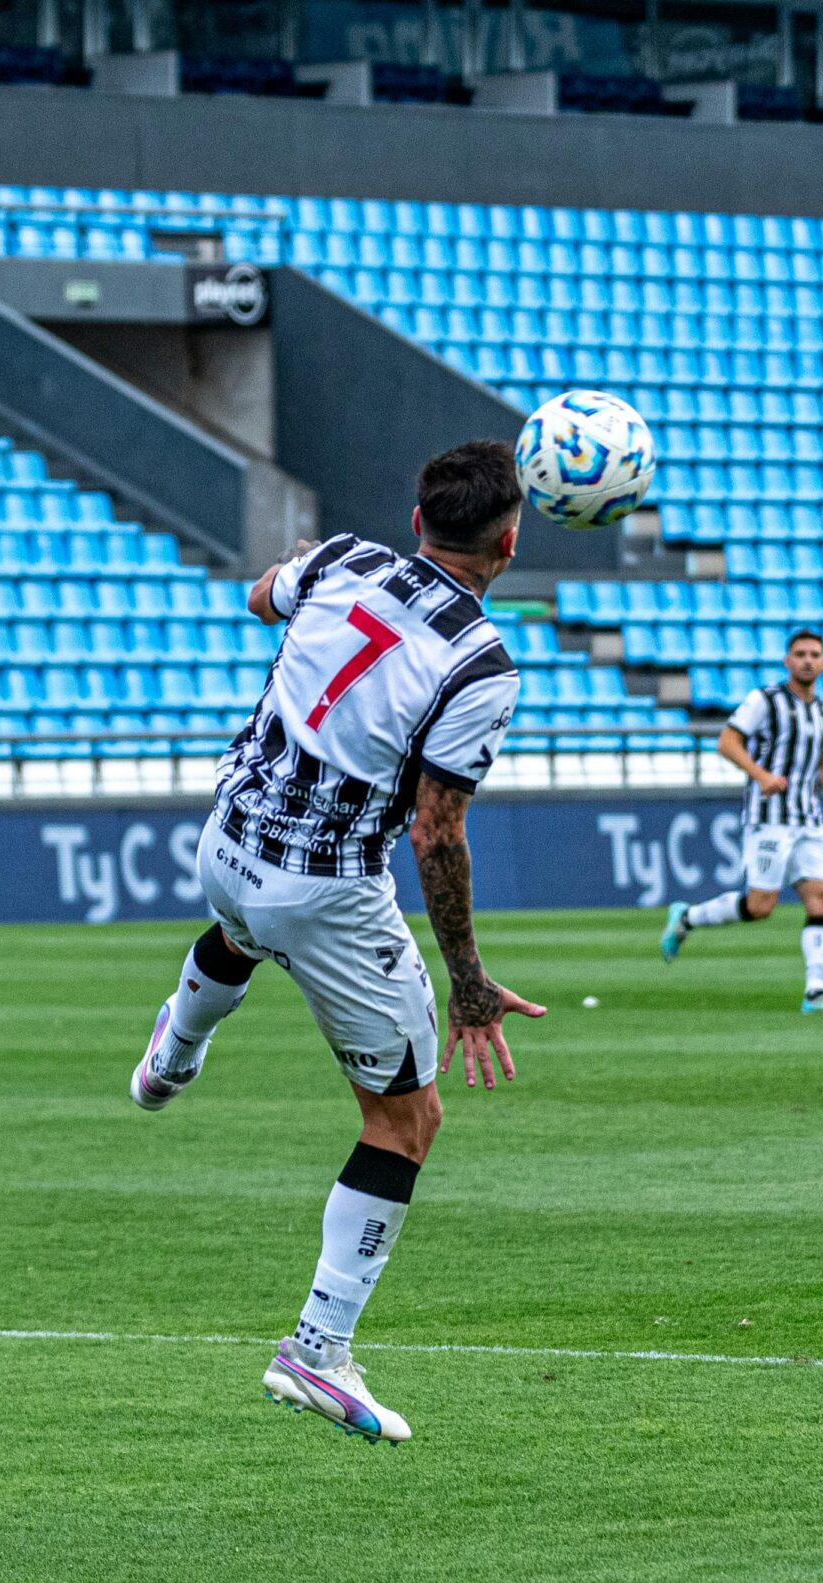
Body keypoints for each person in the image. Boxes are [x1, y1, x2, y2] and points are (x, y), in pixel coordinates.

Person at [125, 441, 543, 1446]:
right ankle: (316, 1352)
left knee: (235, 929)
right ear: (509, 537)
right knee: (405, 1122)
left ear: (415, 520)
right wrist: (470, 983)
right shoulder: (481, 664)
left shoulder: (341, 560)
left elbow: (259, 595)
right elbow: (438, 831)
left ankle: (175, 1048)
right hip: (327, 896)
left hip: (225, 841)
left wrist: (302, 573)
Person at [657, 629, 823, 1013]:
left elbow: (817, 760)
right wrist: (761, 775)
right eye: (800, 653)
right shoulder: (764, 701)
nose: (807, 660)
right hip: (769, 818)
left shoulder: (822, 710)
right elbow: (727, 742)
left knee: (821, 900)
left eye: (814, 654)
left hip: (809, 819)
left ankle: (816, 993)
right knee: (760, 907)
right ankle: (687, 916)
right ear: (787, 661)